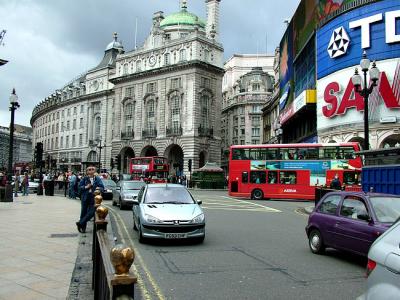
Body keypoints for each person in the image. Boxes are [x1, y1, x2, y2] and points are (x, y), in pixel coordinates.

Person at [76, 165, 104, 233]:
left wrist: (98, 189)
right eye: (89, 169)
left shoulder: (97, 179)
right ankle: (83, 228)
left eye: (92, 169)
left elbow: (102, 187)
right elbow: (79, 187)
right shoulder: (84, 179)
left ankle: (80, 223)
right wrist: (86, 187)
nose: (91, 170)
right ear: (87, 171)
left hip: (93, 197)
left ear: (95, 171)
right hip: (85, 197)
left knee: (92, 211)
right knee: (83, 212)